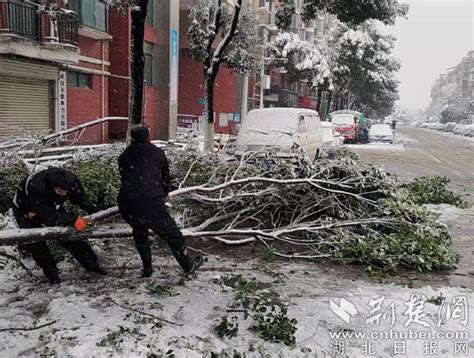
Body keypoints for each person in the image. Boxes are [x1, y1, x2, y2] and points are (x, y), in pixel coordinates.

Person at [117, 126, 203, 277]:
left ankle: (147, 268)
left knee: (139, 230)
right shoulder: (157, 153)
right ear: (147, 136)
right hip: (149, 202)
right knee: (173, 235)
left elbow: (127, 178)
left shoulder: (124, 156)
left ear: (132, 137)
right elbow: (165, 178)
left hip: (127, 204)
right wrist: (164, 194)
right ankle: (188, 265)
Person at [12, 168, 106, 284]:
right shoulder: (37, 186)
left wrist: (96, 212)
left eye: (67, 192)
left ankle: (93, 266)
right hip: (25, 209)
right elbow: (51, 217)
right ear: (52, 187)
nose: (65, 195)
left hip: (52, 205)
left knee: (70, 235)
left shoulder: (71, 181)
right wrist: (74, 220)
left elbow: (81, 199)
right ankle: (52, 275)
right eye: (60, 192)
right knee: (36, 242)